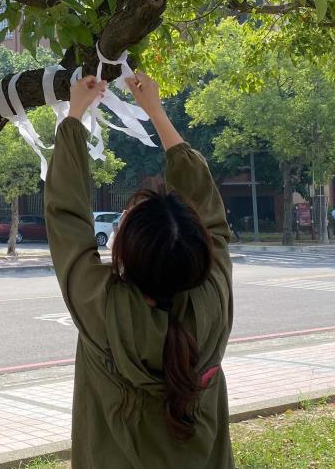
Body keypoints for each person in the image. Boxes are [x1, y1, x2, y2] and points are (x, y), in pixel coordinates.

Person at [45, 71, 235, 469]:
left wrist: (75, 113)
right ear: (200, 253)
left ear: (125, 256)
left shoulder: (106, 311)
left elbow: (65, 216)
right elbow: (213, 217)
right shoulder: (214, 298)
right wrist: (156, 114)